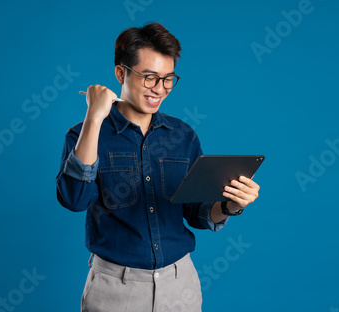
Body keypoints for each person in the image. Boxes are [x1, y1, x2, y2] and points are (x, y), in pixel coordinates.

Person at [56, 22, 260, 312]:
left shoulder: (183, 135)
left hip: (180, 284)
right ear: (120, 73)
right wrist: (94, 117)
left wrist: (230, 205)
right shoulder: (84, 134)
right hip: (115, 289)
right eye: (149, 78)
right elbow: (74, 200)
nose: (160, 89)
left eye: (168, 79)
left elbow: (196, 212)